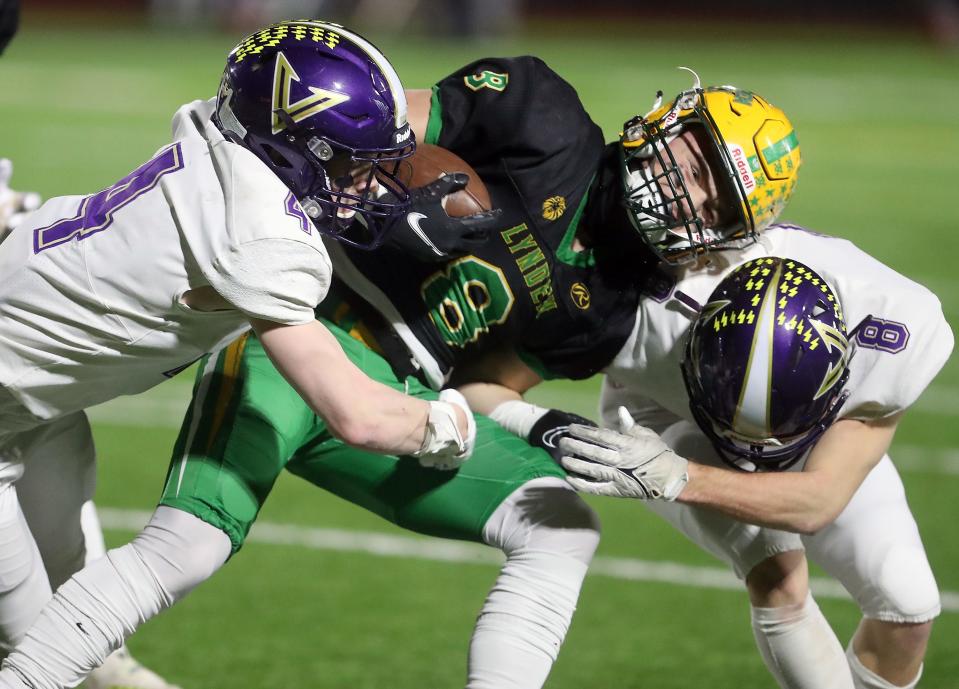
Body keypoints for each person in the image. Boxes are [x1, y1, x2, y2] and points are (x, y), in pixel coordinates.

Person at [0, 58, 798, 687]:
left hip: (404, 394)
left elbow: (483, 387)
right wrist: (388, 203)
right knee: (189, 547)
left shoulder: (609, 311)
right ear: (665, 119)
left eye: (710, 189)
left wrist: (547, 427)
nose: (682, 182)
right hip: (303, 327)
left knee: (561, 528)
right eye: (692, 154)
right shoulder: (540, 110)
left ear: (723, 233)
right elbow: (361, 131)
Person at [0, 18, 487, 681]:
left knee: (73, 589)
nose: (367, 186)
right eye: (351, 164)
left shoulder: (215, 129)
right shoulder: (264, 239)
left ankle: (108, 669)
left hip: (33, 405)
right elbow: (357, 416)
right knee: (35, 649)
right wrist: (445, 423)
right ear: (294, 146)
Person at [558, 245, 952, 689]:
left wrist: (679, 476)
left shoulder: (895, 328)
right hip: (673, 415)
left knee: (908, 605)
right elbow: (508, 354)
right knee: (778, 573)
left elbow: (818, 501)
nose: (756, 447)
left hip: (809, 429)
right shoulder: (651, 322)